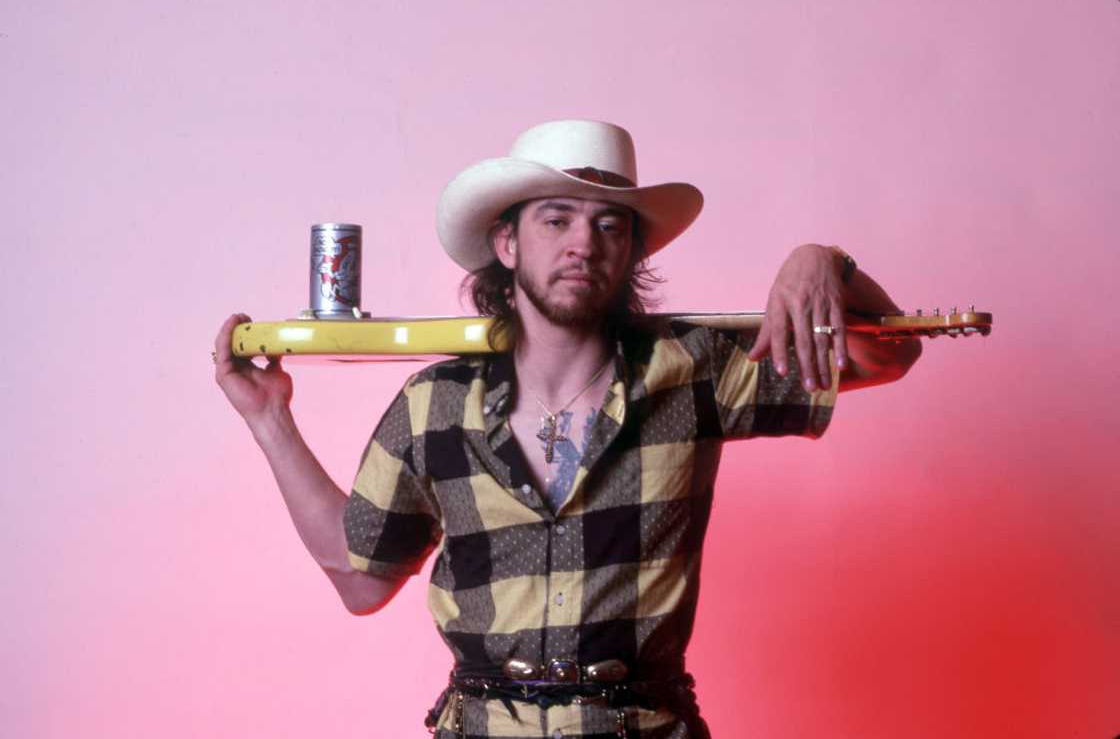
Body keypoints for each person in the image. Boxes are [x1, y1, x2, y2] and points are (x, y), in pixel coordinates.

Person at [213, 119, 921, 738]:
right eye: (556, 219)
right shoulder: (436, 405)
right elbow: (359, 580)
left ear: (631, 250)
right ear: (507, 242)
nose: (584, 243)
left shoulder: (695, 371)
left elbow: (889, 354)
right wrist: (269, 418)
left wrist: (824, 263)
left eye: (609, 225)